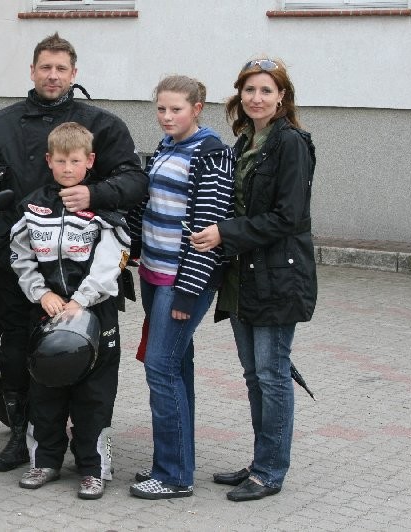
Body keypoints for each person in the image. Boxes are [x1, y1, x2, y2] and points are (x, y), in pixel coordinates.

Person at [0, 33, 147, 473]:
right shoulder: (1, 123)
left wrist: (94, 194)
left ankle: (88, 446)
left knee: (86, 355)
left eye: (61, 68)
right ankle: (23, 439)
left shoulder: (103, 125)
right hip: (21, 263)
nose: (53, 75)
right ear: (32, 70)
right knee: (16, 351)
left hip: (83, 269)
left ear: (74, 73)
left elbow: (136, 181)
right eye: (45, 67)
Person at [190, 57, 317, 502]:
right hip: (243, 275)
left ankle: (269, 472)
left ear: (282, 96)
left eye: (266, 90)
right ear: (239, 95)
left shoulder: (291, 143)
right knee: (254, 375)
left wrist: (225, 233)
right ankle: (261, 460)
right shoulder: (246, 140)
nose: (256, 98)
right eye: (249, 90)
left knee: (272, 374)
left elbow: (288, 216)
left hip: (279, 277)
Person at [8, 122, 130, 500]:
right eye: (60, 161)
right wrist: (41, 293)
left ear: (89, 161)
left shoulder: (103, 207)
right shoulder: (33, 207)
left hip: (95, 314)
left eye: (75, 161)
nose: (67, 168)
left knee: (94, 397)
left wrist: (82, 300)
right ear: (49, 160)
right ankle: (45, 462)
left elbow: (114, 260)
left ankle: (93, 470)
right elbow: (20, 256)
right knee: (45, 392)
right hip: (48, 313)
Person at [126, 76, 235, 500]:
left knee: (160, 367)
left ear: (197, 108)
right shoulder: (166, 147)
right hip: (154, 275)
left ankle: (172, 476)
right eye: (161, 109)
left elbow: (207, 231)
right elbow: (150, 208)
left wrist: (189, 293)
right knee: (176, 367)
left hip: (181, 281)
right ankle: (175, 465)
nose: (167, 117)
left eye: (176, 109)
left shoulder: (211, 153)